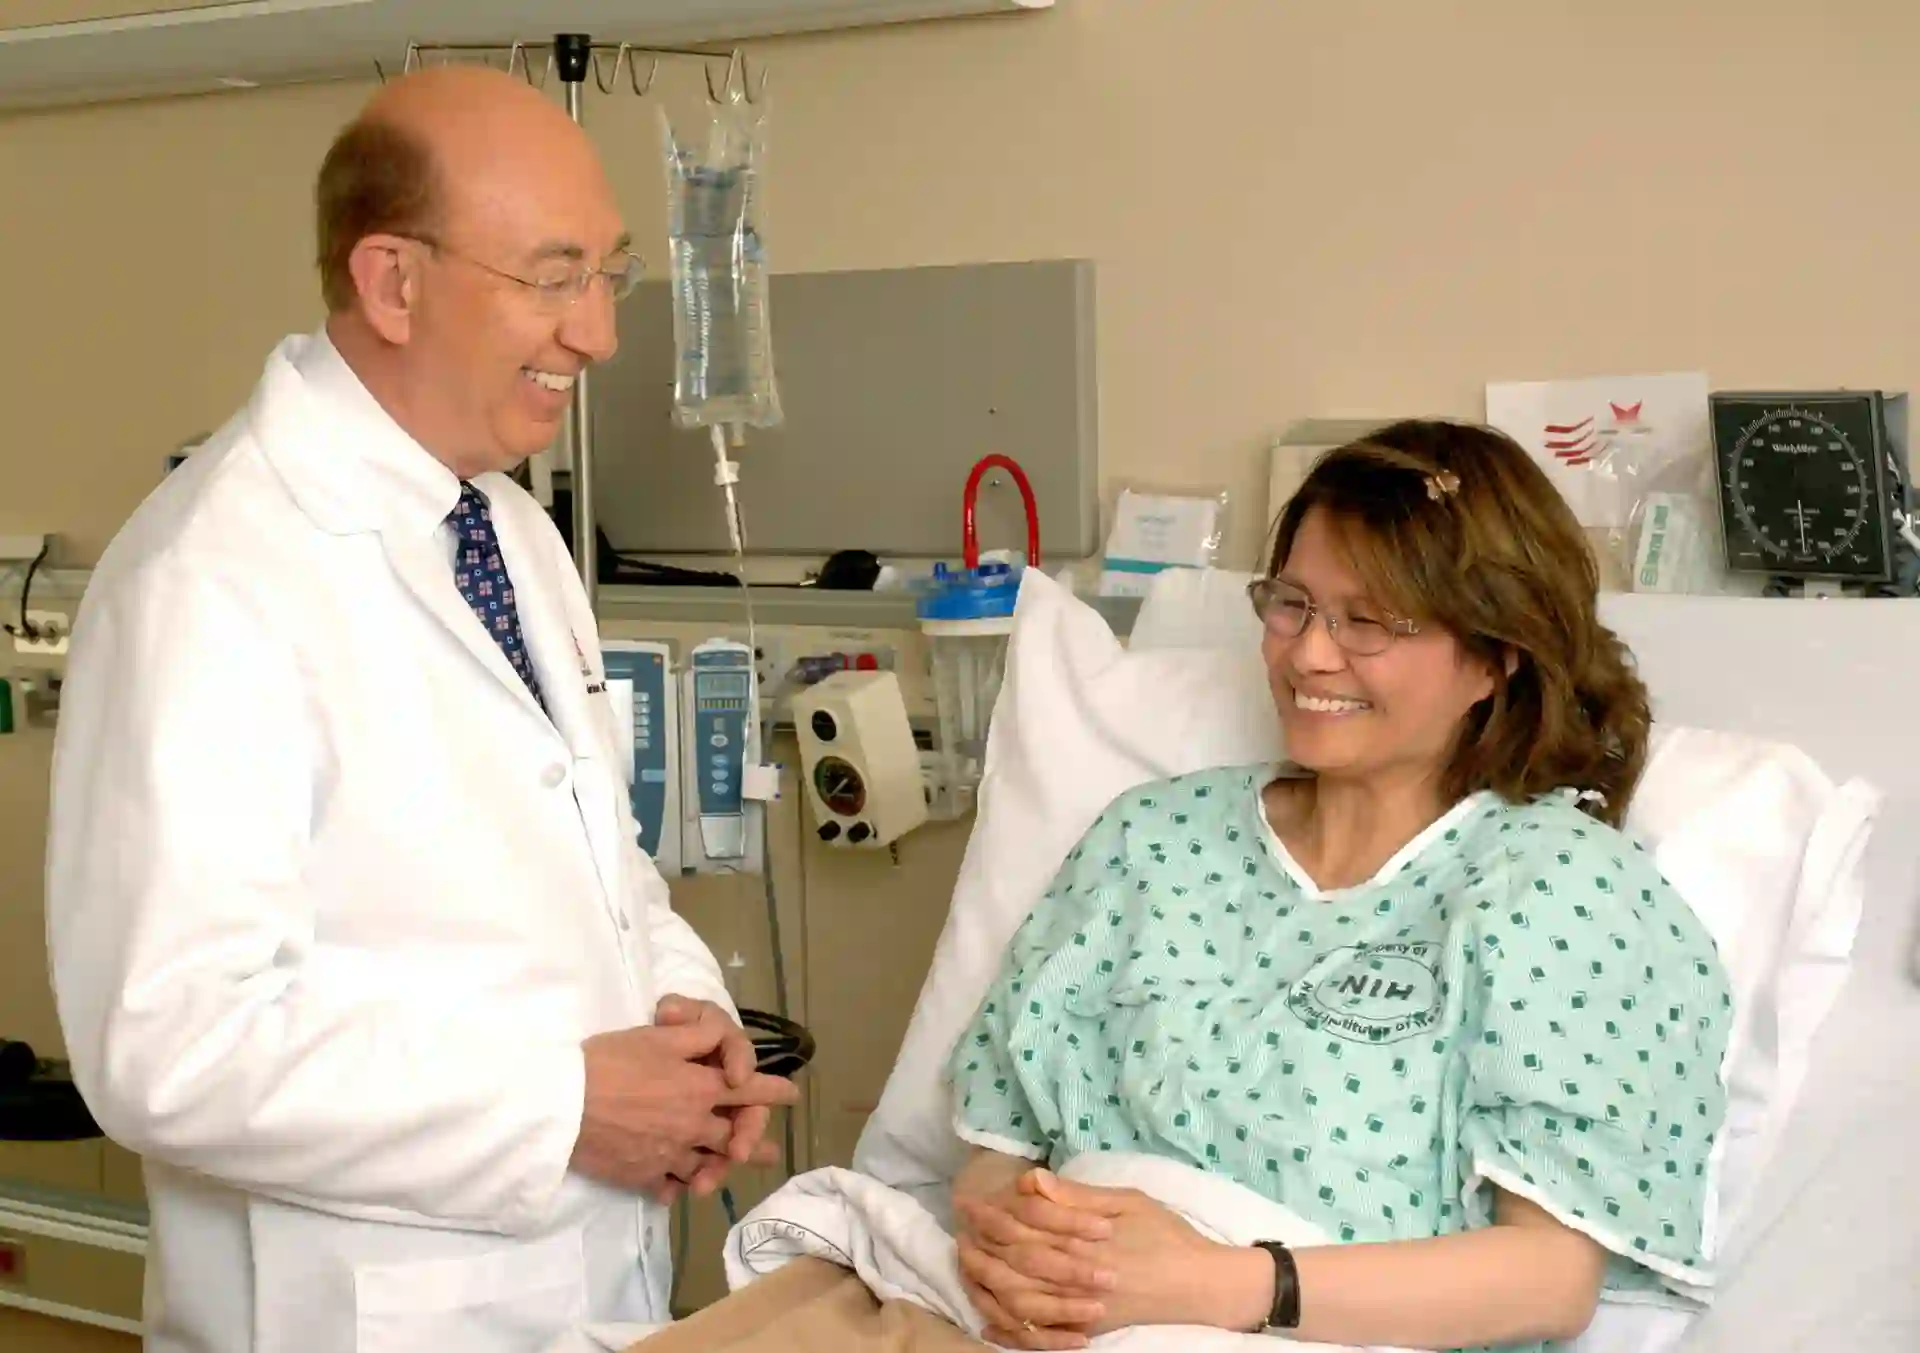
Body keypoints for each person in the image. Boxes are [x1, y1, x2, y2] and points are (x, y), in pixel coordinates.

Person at [43, 64, 797, 1353]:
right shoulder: (210, 579)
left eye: (607, 273)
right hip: (356, 1314)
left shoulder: (504, 527)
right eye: (553, 277)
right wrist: (559, 1102)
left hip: (578, 1281)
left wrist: (690, 1027)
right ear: (393, 281)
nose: (598, 334)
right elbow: (169, 1047)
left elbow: (598, 866)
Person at [945, 420, 1734, 1353]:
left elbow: (1549, 1278)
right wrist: (1030, 1257)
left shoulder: (1561, 890)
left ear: (1494, 656)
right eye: (1293, 605)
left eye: (1370, 622)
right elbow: (994, 1154)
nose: (1311, 655)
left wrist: (1220, 1283)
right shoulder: (1149, 838)